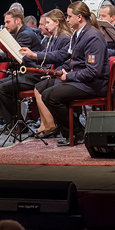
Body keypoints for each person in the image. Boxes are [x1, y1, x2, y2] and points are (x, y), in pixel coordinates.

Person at [41, 1, 109, 146]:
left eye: (69, 16)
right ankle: (76, 131)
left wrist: (69, 76)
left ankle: (76, 133)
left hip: (94, 85)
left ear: (79, 17)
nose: (66, 19)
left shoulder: (92, 37)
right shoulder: (79, 34)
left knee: (51, 96)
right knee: (47, 93)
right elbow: (75, 61)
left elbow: (93, 71)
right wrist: (62, 72)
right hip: (83, 81)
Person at [0, 10, 42, 132]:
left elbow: (10, 55)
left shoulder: (25, 34)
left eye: (8, 22)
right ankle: (12, 122)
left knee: (2, 88)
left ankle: (19, 124)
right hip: (23, 73)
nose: (5, 25)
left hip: (32, 75)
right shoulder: (20, 33)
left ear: (18, 21)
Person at [19, 9, 72, 138]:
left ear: (57, 23)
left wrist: (35, 55)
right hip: (57, 72)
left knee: (40, 87)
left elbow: (62, 57)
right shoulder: (55, 36)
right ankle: (45, 124)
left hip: (65, 73)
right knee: (40, 87)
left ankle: (50, 125)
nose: (45, 26)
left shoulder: (64, 37)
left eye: (48, 22)